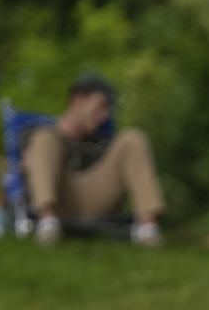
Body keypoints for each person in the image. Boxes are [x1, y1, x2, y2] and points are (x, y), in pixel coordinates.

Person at [21, 74, 165, 247]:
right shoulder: (37, 133)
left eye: (107, 110)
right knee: (43, 139)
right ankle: (47, 224)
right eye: (100, 106)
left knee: (133, 138)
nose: (104, 116)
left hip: (95, 199)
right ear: (78, 99)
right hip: (58, 196)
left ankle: (148, 229)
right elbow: (27, 165)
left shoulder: (103, 142)